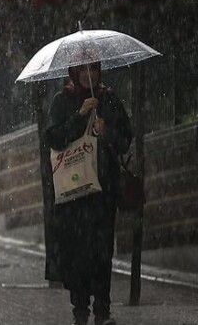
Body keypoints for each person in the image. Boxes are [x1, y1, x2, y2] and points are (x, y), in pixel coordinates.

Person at [45, 62, 132, 325]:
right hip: (74, 195)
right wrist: (80, 116)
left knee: (103, 252)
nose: (88, 74)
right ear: (74, 72)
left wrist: (107, 133)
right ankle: (80, 312)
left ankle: (103, 312)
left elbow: (126, 138)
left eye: (93, 69)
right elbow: (54, 138)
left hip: (103, 193)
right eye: (82, 69)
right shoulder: (62, 101)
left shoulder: (108, 99)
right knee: (79, 255)